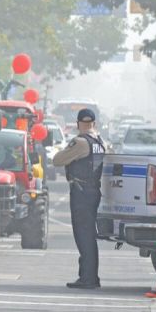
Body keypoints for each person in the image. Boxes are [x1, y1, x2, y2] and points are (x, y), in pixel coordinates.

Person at [52, 108, 106, 289]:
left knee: (83, 235)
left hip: (82, 191)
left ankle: (88, 278)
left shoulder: (81, 142)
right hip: (94, 190)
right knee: (88, 235)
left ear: (77, 124)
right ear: (94, 123)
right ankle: (90, 276)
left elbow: (57, 160)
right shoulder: (100, 141)